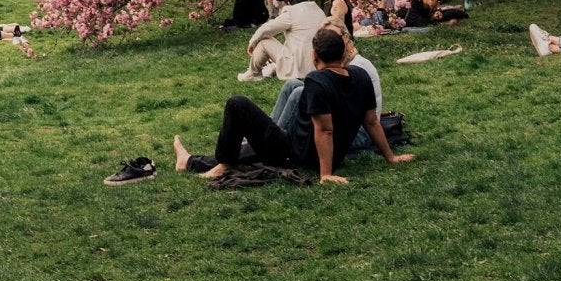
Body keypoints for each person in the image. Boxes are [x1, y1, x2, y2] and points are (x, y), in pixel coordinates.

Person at [174, 26, 414, 185]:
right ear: (342, 54)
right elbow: (372, 121)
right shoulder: (360, 76)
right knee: (291, 86)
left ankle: (219, 162)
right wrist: (390, 158)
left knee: (237, 103)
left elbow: (325, 130)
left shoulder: (317, 80)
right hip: (316, 149)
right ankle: (194, 161)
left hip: (295, 155)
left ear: (314, 56)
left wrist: (325, 174)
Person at [240, 0, 326, 81]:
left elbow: (266, 29)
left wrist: (252, 43)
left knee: (264, 42)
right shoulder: (320, 12)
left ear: (289, 2)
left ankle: (253, 74)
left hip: (298, 68)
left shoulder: (291, 13)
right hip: (318, 66)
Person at [403, 0, 467, 29]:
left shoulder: (424, 3)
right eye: (438, 1)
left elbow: (426, 18)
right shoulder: (413, 3)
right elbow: (421, 23)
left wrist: (433, 17)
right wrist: (446, 24)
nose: (438, 4)